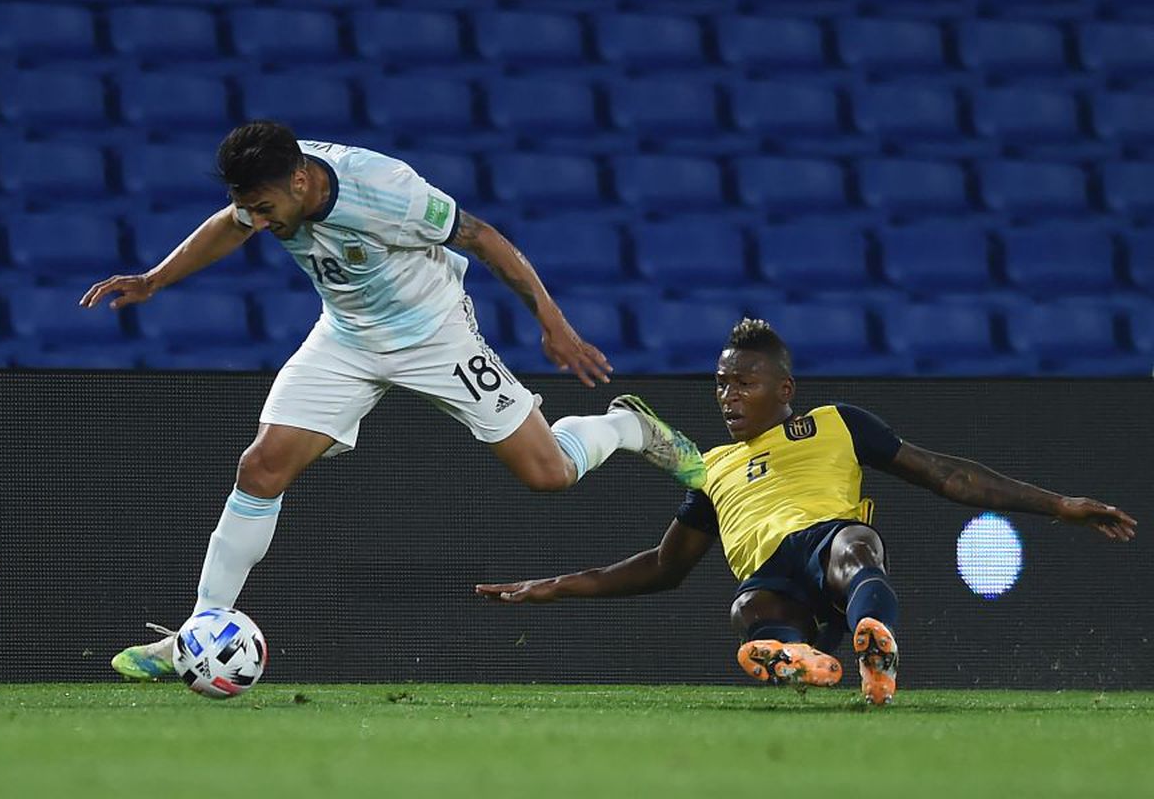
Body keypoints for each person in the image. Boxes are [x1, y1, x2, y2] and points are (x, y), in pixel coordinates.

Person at [82, 120, 707, 680]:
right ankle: (198, 634)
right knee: (260, 467)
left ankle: (627, 427)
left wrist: (551, 319)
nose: (262, 222)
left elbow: (483, 237)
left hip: (435, 335)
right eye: (251, 209)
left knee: (549, 473)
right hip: (347, 338)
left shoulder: (385, 190)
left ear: (301, 181)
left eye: (267, 209)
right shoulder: (266, 194)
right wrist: (155, 278)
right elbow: (229, 225)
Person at [477, 318, 1137, 705]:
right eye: (720, 384)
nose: (727, 396)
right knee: (748, 611)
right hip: (771, 577)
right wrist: (557, 586)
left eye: (744, 383)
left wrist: (1057, 505)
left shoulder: (836, 424)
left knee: (856, 546)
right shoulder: (710, 469)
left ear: (784, 390)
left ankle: (876, 650)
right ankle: (799, 658)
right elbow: (663, 565)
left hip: (828, 550)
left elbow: (945, 474)